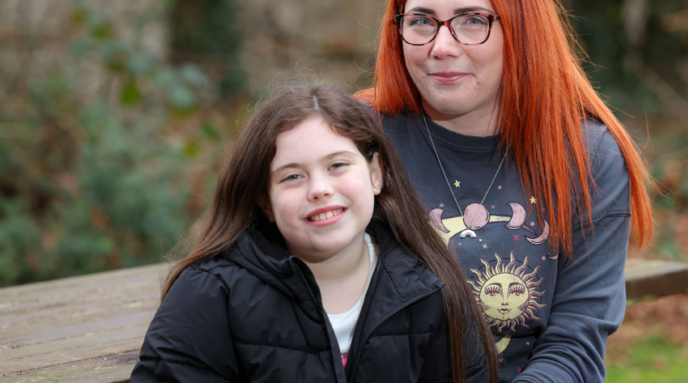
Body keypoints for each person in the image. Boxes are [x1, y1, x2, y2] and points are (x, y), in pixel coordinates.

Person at [355, 0, 654, 381]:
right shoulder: (355, 139)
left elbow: (575, 345)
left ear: (522, 27)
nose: (441, 46)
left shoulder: (585, 157)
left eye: (472, 20)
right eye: (421, 21)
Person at [130, 84, 499, 383]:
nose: (319, 189)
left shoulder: (429, 289)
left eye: (337, 165)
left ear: (376, 173)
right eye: (292, 176)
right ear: (265, 202)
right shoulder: (209, 296)